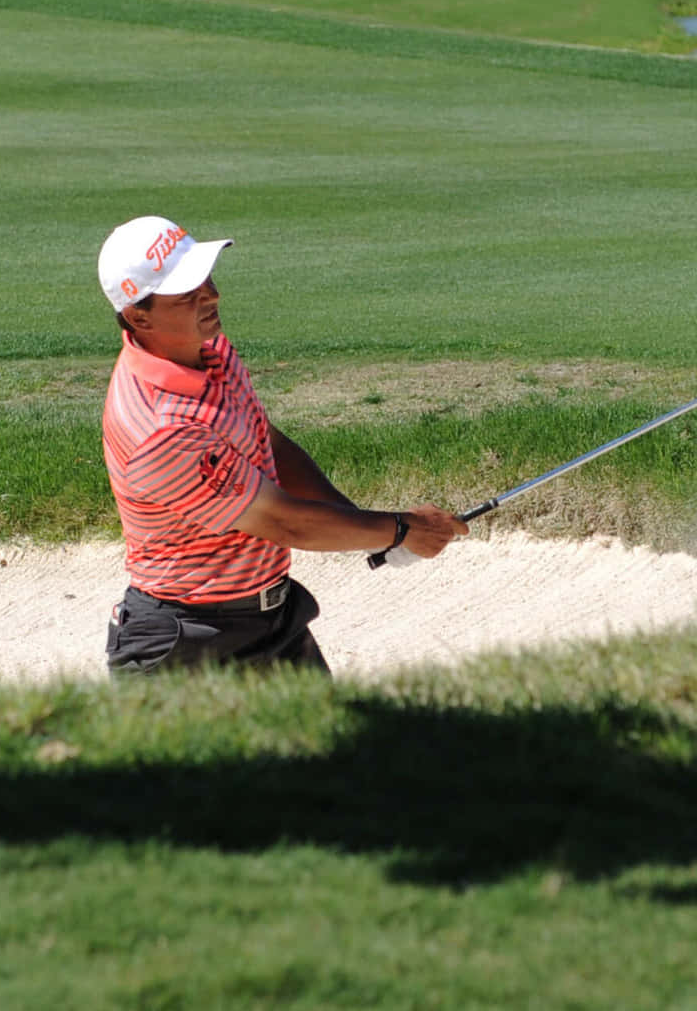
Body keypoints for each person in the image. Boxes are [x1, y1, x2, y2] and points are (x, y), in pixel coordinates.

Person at [96, 215, 467, 674]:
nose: (211, 295)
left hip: (273, 623)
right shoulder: (162, 429)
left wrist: (362, 526)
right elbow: (282, 522)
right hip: (186, 647)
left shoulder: (208, 350)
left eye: (206, 279)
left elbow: (267, 444)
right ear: (138, 315)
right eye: (187, 293)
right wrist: (400, 528)